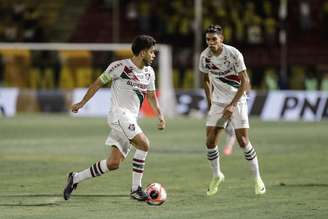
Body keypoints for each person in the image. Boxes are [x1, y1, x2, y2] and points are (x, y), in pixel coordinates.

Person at [63, 35, 166, 201]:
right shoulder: (120, 66)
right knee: (144, 144)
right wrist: (82, 103)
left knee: (113, 163)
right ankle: (136, 189)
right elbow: (97, 83)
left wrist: (160, 115)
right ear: (142, 52)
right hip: (119, 115)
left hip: (131, 119)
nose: (154, 55)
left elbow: (152, 96)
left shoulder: (149, 73)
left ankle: (75, 178)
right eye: (152, 52)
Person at [199, 24, 266, 196]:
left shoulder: (233, 54)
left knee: (243, 140)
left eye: (214, 39)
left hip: (237, 100)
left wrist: (232, 105)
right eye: (208, 39)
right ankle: (217, 175)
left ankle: (258, 180)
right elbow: (205, 79)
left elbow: (245, 81)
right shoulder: (204, 56)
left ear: (221, 39)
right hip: (218, 102)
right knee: (210, 141)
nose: (210, 42)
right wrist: (210, 101)